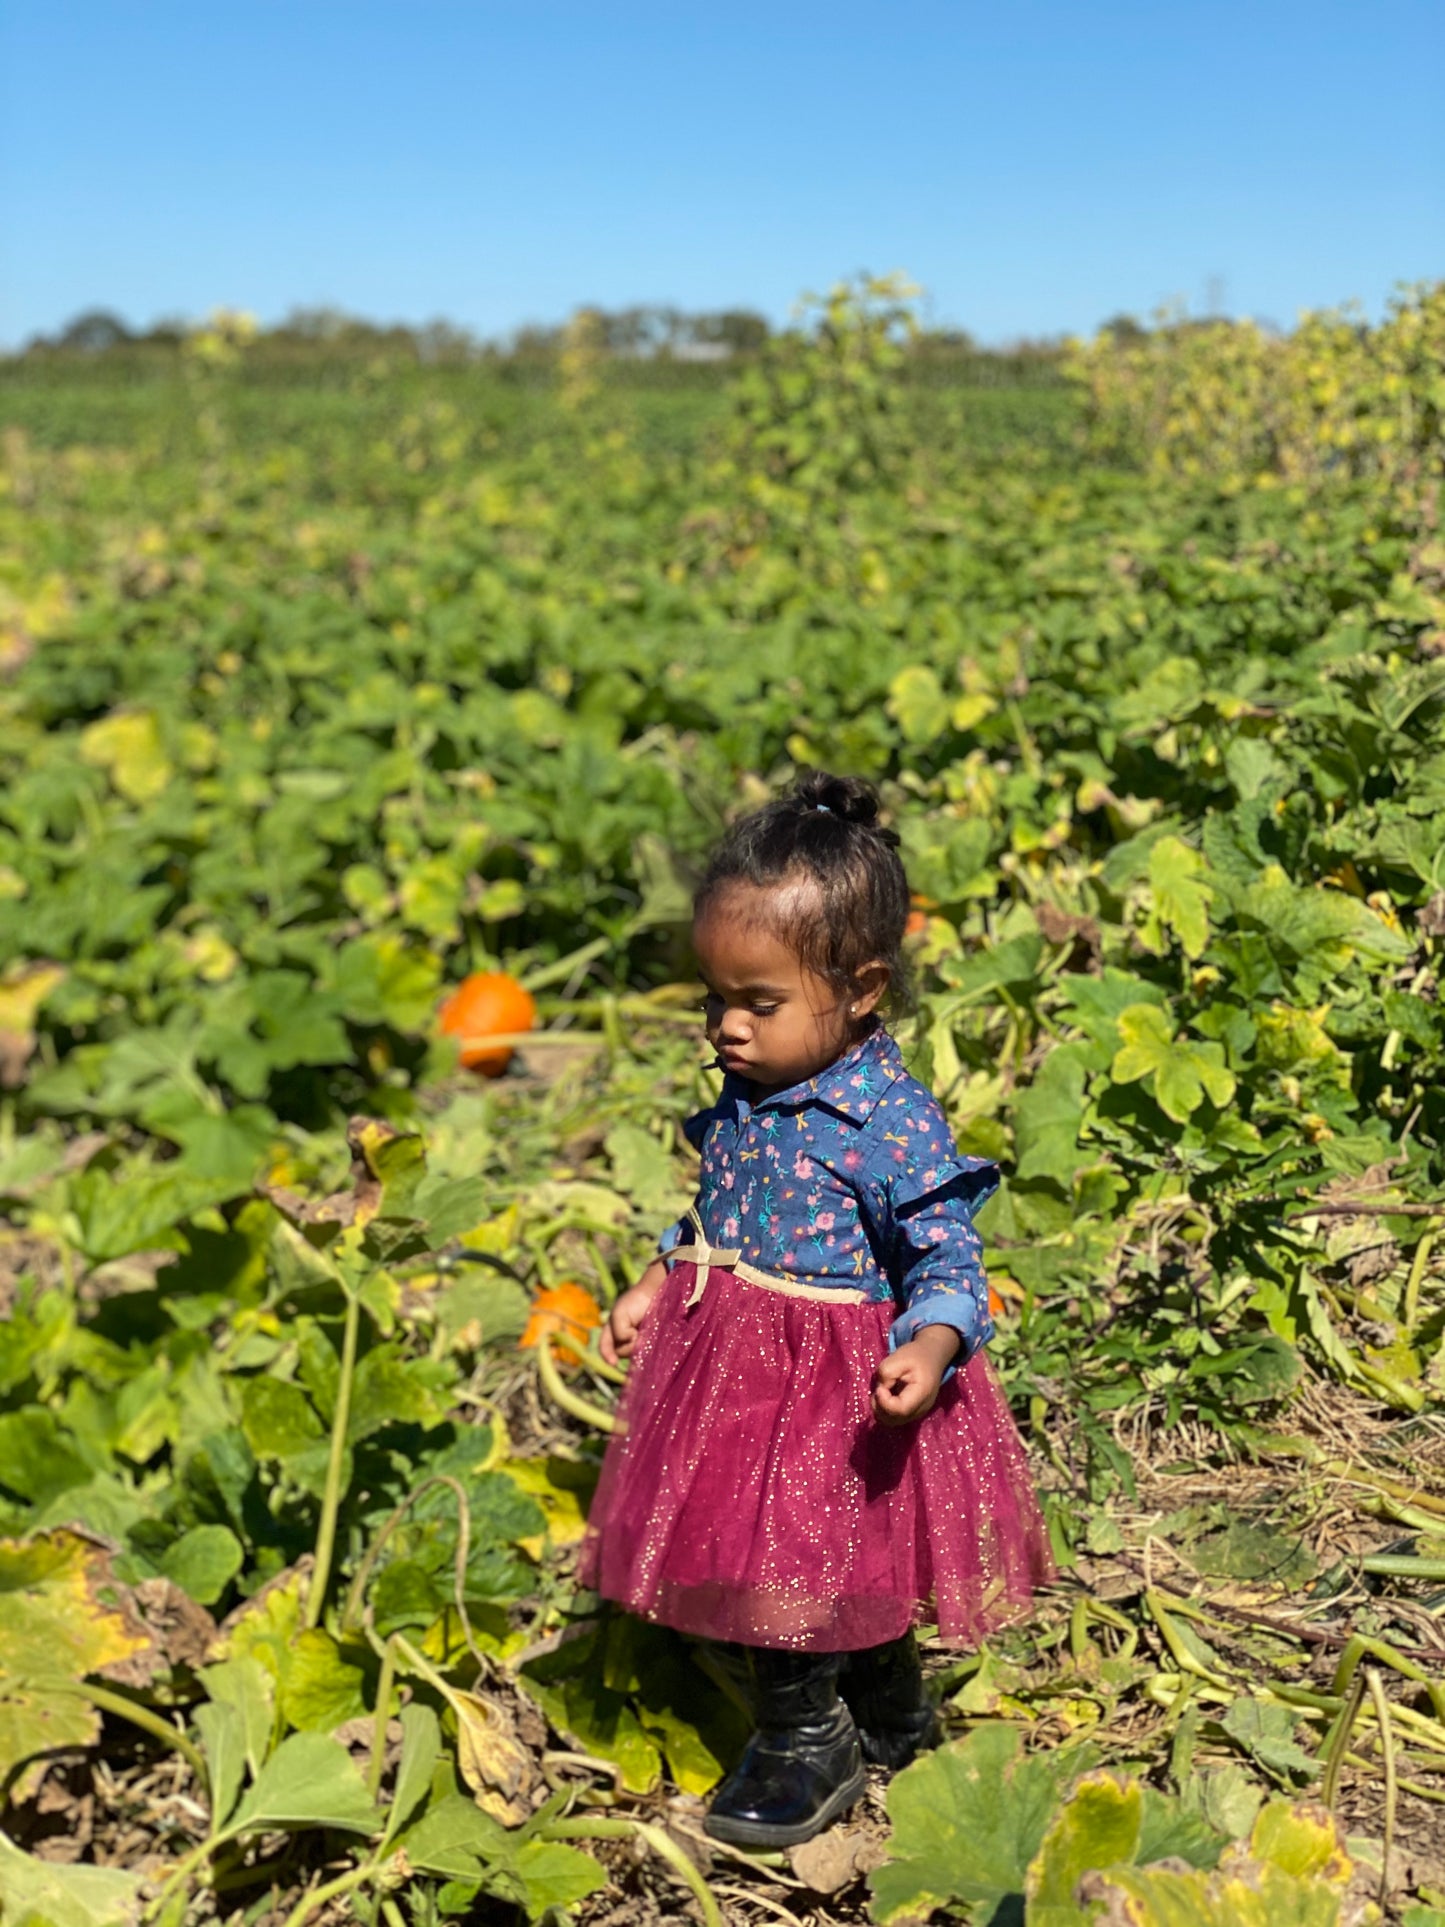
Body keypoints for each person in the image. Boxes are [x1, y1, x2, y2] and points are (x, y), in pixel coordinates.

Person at [578, 771, 1053, 1848]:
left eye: (757, 1003)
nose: (726, 1029)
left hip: (833, 1377)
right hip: (735, 1365)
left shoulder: (885, 1120)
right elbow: (716, 1211)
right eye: (713, 998)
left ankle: (810, 1734)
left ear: (862, 986)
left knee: (799, 1555)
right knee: (785, 1547)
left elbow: (945, 1253)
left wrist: (930, 1346)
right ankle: (877, 1709)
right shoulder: (745, 1097)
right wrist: (658, 1281)